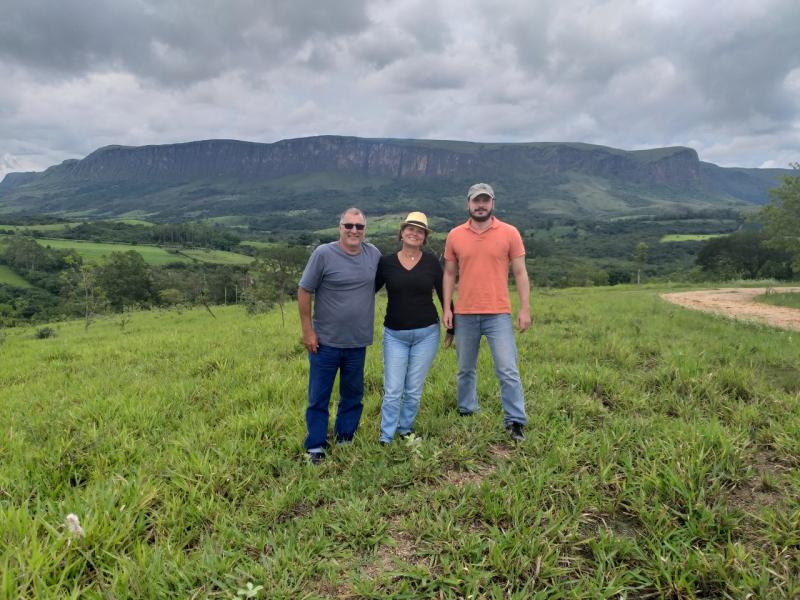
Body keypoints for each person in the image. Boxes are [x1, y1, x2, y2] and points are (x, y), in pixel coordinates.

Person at [442, 183, 531, 442]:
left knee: (507, 369)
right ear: (468, 203)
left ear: (492, 203)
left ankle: (515, 421)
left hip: (498, 312)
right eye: (476, 200)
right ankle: (467, 410)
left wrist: (525, 308)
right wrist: (448, 308)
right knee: (464, 369)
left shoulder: (509, 232)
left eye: (485, 200)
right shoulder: (455, 235)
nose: (480, 205)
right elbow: (449, 273)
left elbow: (520, 273)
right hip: (465, 314)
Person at [297, 208, 381, 463]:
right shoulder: (324, 254)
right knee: (319, 395)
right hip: (325, 342)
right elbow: (304, 290)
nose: (354, 230)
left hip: (357, 341)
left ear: (365, 230)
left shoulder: (373, 254)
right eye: (349, 225)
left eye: (359, 226)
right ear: (339, 227)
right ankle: (315, 445)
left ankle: (345, 438)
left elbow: (376, 285)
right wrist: (308, 330)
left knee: (353, 394)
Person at [374, 212, 453, 445]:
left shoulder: (430, 263)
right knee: (393, 389)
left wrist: (453, 325)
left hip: (426, 333)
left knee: (413, 388)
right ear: (401, 232)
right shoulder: (386, 262)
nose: (414, 233)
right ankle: (386, 436)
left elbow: (443, 293)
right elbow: (368, 291)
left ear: (424, 237)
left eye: (420, 231)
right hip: (395, 334)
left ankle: (405, 429)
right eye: (410, 229)